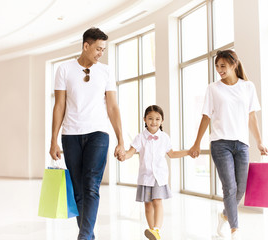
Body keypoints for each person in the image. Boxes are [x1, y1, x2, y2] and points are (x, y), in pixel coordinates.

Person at [49, 27, 125, 240]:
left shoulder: (106, 71)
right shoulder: (64, 69)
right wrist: (53, 140)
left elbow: (112, 107)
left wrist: (121, 139)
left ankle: (83, 237)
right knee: (78, 190)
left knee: (91, 186)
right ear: (86, 46)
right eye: (98, 49)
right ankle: (88, 234)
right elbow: (59, 106)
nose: (101, 53)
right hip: (71, 135)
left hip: (98, 134)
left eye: (103, 49)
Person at [188, 50, 268, 240]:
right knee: (229, 187)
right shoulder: (213, 88)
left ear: (233, 65)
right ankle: (234, 229)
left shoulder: (248, 87)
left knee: (241, 188)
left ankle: (225, 214)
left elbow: (252, 117)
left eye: (223, 66)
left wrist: (259, 142)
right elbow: (206, 116)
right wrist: (196, 143)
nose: (219, 70)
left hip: (242, 144)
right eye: (217, 66)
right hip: (220, 143)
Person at [119, 105, 188, 240]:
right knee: (148, 205)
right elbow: (130, 152)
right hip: (145, 176)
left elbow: (172, 154)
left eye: (157, 119)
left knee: (157, 201)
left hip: (159, 176)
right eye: (150, 118)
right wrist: (123, 156)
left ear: (162, 121)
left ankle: (156, 229)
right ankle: (152, 233)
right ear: (144, 119)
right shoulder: (140, 137)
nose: (154, 122)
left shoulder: (164, 137)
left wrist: (188, 152)